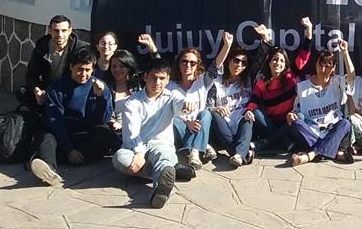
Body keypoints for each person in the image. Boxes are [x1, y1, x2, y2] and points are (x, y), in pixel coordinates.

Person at [113, 57, 197, 208]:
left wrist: (186, 105)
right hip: (135, 148)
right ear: (145, 77)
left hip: (160, 146)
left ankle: (160, 191)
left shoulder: (172, 96)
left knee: (164, 154)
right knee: (119, 159)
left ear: (168, 80)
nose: (157, 83)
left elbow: (180, 103)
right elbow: (131, 134)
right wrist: (139, 154)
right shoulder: (131, 103)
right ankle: (169, 169)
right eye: (154, 77)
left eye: (162, 79)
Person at [29, 48, 120, 186]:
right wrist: (69, 148)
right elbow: (55, 121)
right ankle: (49, 169)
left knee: (106, 135)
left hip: (84, 133)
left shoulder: (100, 86)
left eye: (87, 70)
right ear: (71, 67)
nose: (83, 74)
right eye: (79, 69)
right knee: (46, 137)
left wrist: (102, 97)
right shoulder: (57, 87)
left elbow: (103, 120)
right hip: (62, 133)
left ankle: (53, 157)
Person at [244, 17, 313, 152]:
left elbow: (304, 54)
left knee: (300, 117)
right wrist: (249, 111)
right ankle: (284, 140)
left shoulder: (291, 75)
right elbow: (253, 102)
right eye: (275, 60)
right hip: (270, 124)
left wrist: (309, 30)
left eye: (281, 61)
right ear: (269, 62)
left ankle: (265, 143)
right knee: (256, 113)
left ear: (285, 64)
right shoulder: (262, 83)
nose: (278, 63)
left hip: (289, 120)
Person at [207, 26, 271, 167]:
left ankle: (238, 154)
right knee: (213, 115)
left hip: (242, 124)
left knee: (248, 116)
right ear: (229, 61)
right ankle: (242, 153)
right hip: (223, 126)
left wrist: (265, 39)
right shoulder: (216, 82)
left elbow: (260, 60)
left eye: (243, 63)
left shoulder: (247, 79)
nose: (239, 65)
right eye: (236, 60)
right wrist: (215, 109)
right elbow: (208, 106)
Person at [167, 35, 232, 169]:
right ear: (179, 63)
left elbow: (216, 65)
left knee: (205, 114)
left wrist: (227, 46)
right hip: (179, 127)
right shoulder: (170, 85)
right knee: (174, 121)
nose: (188, 65)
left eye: (192, 63)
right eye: (184, 61)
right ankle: (204, 145)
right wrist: (187, 122)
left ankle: (194, 152)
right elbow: (167, 112)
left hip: (199, 125)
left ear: (197, 66)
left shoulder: (202, 81)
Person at [287, 40, 355, 166]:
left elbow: (351, 77)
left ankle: (311, 155)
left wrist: (345, 53)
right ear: (315, 65)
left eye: (327, 66)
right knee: (296, 124)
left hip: (332, 130)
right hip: (311, 133)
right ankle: (332, 152)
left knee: (345, 123)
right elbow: (295, 111)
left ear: (333, 67)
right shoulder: (302, 87)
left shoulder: (337, 82)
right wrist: (291, 115)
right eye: (320, 65)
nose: (323, 69)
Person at [18, 14, 88, 111]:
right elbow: (31, 75)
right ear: (50, 30)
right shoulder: (42, 47)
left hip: (69, 88)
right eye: (56, 30)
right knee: (22, 92)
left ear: (70, 31)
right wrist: (37, 90)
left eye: (63, 31)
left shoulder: (79, 49)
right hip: (48, 87)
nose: (60, 35)